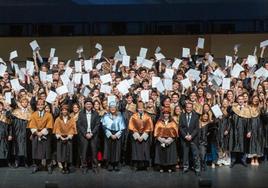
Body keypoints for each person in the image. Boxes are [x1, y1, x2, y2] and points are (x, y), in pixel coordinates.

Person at [28, 99, 54, 174]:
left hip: (46, 135)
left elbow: (49, 125)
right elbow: (31, 125)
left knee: (47, 151)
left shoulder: (49, 115)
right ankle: (36, 166)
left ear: (44, 105)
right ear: (36, 106)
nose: (40, 106)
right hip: (36, 135)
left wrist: (42, 133)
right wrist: (37, 132)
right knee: (36, 151)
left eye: (42, 104)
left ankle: (49, 166)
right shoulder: (33, 114)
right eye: (38, 105)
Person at [7, 97, 32, 168]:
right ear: (20, 103)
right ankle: (17, 161)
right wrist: (9, 109)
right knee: (17, 147)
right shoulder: (16, 111)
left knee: (25, 147)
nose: (24, 103)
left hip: (26, 132)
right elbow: (9, 119)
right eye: (23, 102)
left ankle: (26, 162)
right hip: (17, 131)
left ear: (28, 103)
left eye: (26, 102)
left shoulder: (30, 112)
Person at [77, 99, 100, 174]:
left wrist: (92, 133)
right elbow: (79, 125)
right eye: (87, 104)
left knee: (94, 152)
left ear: (92, 105)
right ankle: (84, 167)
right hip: (84, 135)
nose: (88, 105)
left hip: (93, 135)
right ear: (85, 105)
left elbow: (97, 124)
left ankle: (95, 167)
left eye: (90, 104)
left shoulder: (96, 113)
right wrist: (85, 134)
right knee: (84, 152)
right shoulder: (81, 113)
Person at [128, 101, 154, 170]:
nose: (140, 109)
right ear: (137, 109)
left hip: (145, 135)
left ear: (144, 108)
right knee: (136, 151)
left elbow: (149, 127)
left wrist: (143, 136)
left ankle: (145, 165)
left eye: (142, 108)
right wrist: (137, 135)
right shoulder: (133, 116)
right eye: (139, 108)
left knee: (145, 150)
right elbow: (131, 126)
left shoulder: (148, 117)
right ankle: (136, 165)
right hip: (136, 135)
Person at [101, 101, 126, 171]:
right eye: (111, 107)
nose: (113, 108)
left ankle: (116, 163)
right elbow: (103, 126)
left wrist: (117, 134)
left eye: (114, 107)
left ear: (116, 108)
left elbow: (122, 128)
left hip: (117, 135)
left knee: (117, 149)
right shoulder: (105, 116)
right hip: (109, 135)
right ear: (109, 108)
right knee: (108, 149)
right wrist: (110, 134)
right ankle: (109, 164)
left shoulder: (120, 117)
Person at [53, 104, 77, 174]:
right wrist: (60, 136)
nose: (64, 111)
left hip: (68, 137)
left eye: (66, 110)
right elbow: (56, 128)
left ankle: (67, 167)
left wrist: (68, 136)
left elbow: (73, 128)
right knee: (61, 153)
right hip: (60, 138)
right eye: (63, 110)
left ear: (68, 111)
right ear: (61, 111)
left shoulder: (71, 119)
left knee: (68, 153)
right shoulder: (58, 119)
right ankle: (63, 167)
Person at [228, 95, 251, 168]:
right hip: (234, 129)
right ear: (237, 100)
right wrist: (230, 105)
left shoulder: (247, 109)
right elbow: (228, 111)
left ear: (244, 100)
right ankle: (233, 160)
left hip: (243, 130)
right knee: (233, 144)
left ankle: (243, 160)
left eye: (242, 99)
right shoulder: (234, 108)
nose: (240, 100)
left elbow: (249, 121)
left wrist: (249, 131)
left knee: (243, 144)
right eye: (239, 99)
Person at [154, 107, 178, 173]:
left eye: (167, 113)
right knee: (161, 154)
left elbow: (175, 132)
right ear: (163, 114)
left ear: (169, 114)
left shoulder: (173, 122)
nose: (166, 115)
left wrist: (170, 140)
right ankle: (161, 167)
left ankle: (169, 167)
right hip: (161, 140)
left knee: (170, 155)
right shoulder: (159, 122)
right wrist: (161, 139)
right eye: (165, 113)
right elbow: (156, 132)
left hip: (170, 141)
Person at [180, 102, 201, 176]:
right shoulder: (182, 116)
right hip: (185, 138)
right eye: (187, 107)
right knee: (185, 154)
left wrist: (191, 136)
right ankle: (185, 168)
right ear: (185, 108)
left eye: (190, 107)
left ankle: (197, 169)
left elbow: (196, 128)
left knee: (195, 155)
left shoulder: (196, 116)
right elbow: (180, 127)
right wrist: (185, 136)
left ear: (192, 108)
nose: (188, 108)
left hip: (193, 139)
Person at [247, 95, 264, 166]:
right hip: (251, 127)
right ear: (252, 99)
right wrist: (249, 130)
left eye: (257, 99)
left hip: (259, 128)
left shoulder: (260, 108)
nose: (255, 100)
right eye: (254, 99)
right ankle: (252, 159)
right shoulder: (249, 108)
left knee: (258, 143)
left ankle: (256, 158)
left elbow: (263, 118)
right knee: (251, 143)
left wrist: (262, 107)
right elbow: (248, 120)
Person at [0, 102, 11, 167]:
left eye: (1, 106)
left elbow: (10, 126)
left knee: (5, 148)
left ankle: (7, 162)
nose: (0, 107)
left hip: (5, 134)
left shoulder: (6, 115)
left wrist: (10, 134)